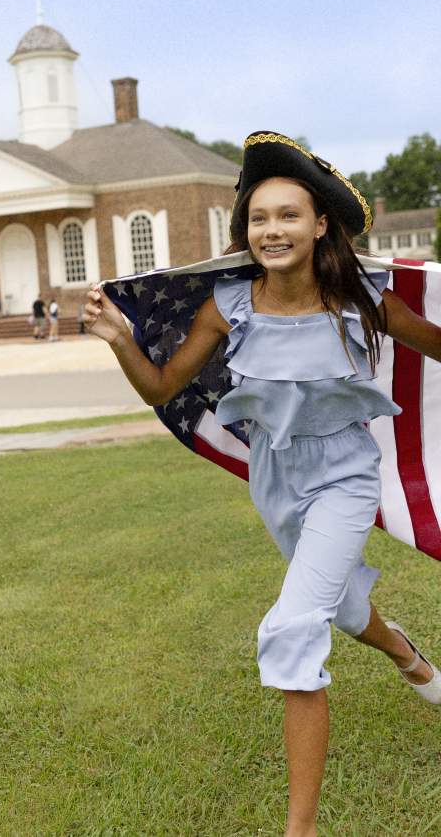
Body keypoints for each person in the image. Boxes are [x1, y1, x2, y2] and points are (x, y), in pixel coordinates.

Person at [83, 131, 441, 837]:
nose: (271, 228)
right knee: (335, 609)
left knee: (293, 626)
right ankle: (406, 652)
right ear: (245, 231)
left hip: (344, 473)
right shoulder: (229, 306)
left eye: (287, 214)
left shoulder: (363, 299)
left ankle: (297, 831)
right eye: (258, 217)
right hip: (275, 478)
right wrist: (122, 339)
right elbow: (162, 383)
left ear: (319, 226)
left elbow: (435, 343)